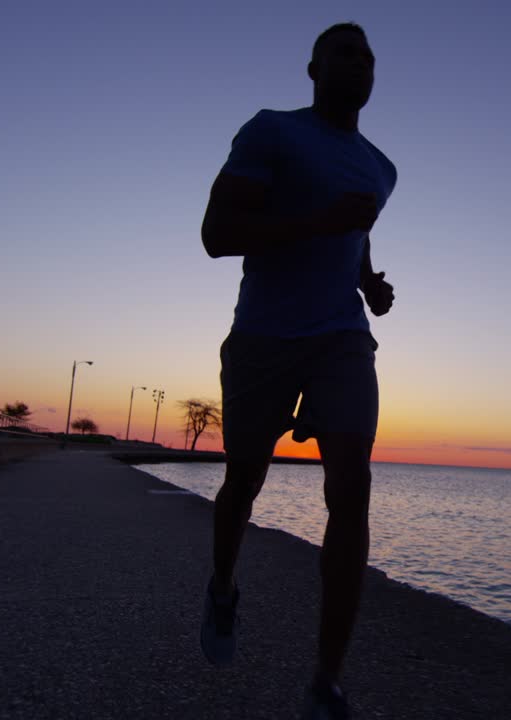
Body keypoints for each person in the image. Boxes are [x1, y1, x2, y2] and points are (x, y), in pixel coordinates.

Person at [198, 22, 396, 720]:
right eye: (344, 51)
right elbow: (217, 235)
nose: (358, 63)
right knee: (243, 483)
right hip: (264, 336)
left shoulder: (382, 167)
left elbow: (358, 228)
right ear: (312, 67)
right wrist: (320, 224)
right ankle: (223, 589)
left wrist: (368, 281)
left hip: (342, 337)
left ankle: (326, 681)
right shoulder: (271, 132)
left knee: (353, 489)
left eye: (368, 56)